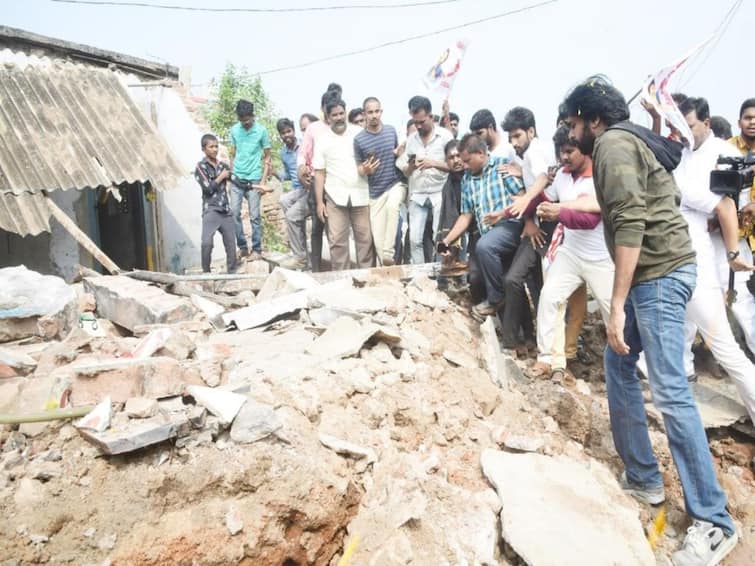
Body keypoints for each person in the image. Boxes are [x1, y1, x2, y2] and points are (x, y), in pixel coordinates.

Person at [562, 75, 737, 566]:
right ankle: (643, 477)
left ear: (593, 120)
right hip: (659, 272)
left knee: (670, 391)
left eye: (575, 122)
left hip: (657, 275)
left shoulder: (614, 145)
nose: (572, 132)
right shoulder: (632, 138)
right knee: (617, 364)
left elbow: (632, 224)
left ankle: (714, 521)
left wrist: (616, 305)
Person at [670, 96, 755, 421]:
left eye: (689, 126)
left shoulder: (728, 153)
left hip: (722, 247)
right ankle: (685, 373)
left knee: (742, 314)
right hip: (693, 253)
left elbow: (734, 205)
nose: (685, 132)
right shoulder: (682, 156)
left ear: (706, 122)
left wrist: (732, 247)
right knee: (689, 322)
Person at [531, 126, 612, 382]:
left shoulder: (599, 176)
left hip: (601, 256)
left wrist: (558, 212)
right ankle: (547, 359)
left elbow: (589, 219)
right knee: (549, 297)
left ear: (584, 150)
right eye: (560, 152)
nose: (564, 157)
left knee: (614, 311)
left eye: (570, 151)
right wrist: (541, 190)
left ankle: (631, 364)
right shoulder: (564, 176)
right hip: (571, 252)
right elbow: (545, 200)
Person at [439, 133, 524, 321]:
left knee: (485, 246)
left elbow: (523, 197)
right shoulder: (467, 179)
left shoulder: (502, 166)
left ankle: (495, 298)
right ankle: (517, 341)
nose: (465, 166)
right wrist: (446, 241)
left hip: (511, 225)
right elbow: (466, 215)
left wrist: (503, 213)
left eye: (468, 161)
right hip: (489, 234)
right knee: (490, 276)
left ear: (480, 154)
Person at [498, 106, 555, 350]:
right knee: (513, 279)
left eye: (517, 136)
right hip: (537, 225)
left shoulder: (536, 151)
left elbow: (543, 178)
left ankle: (551, 347)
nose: (513, 142)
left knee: (548, 289)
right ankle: (515, 342)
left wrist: (525, 199)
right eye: (510, 138)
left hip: (554, 225)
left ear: (531, 131)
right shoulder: (528, 156)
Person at [313, 98, 373, 270]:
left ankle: (367, 280)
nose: (339, 118)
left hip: (361, 194)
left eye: (341, 113)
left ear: (345, 113)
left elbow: (371, 159)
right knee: (337, 242)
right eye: (334, 115)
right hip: (335, 197)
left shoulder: (359, 134)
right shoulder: (323, 141)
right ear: (328, 117)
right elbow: (319, 173)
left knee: (365, 240)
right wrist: (319, 203)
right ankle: (342, 283)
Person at [354, 97, 405, 266]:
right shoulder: (359, 140)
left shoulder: (391, 131)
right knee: (378, 243)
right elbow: (359, 169)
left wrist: (400, 153)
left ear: (381, 112)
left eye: (377, 111)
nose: (374, 115)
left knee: (393, 207)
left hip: (394, 184)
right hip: (375, 194)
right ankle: (387, 271)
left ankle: (389, 253)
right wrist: (365, 170)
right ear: (364, 114)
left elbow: (398, 155)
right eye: (370, 112)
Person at [402, 95, 453, 264]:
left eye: (422, 121)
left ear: (431, 117)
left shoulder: (445, 137)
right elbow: (407, 172)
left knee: (439, 237)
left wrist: (434, 163)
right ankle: (420, 276)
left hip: (440, 191)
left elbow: (456, 167)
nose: (418, 126)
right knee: (414, 240)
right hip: (418, 192)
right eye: (415, 122)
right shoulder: (411, 140)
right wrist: (411, 166)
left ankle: (440, 274)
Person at [298, 90, 339, 271]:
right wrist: (301, 168)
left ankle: (338, 268)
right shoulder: (313, 129)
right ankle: (316, 269)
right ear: (323, 109)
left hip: (338, 182)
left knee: (336, 229)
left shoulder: (343, 128)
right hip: (318, 183)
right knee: (317, 227)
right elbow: (303, 153)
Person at [229, 99, 271, 262]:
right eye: (242, 120)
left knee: (255, 216)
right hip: (237, 178)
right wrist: (231, 175)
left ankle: (257, 249)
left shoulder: (261, 131)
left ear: (253, 115)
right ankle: (243, 248)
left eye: (248, 119)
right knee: (234, 213)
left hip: (254, 177)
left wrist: (262, 182)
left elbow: (267, 157)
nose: (245, 123)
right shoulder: (234, 130)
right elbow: (233, 153)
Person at [193, 134, 237, 274]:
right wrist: (221, 177)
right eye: (211, 146)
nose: (215, 149)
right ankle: (206, 273)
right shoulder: (200, 167)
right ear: (203, 149)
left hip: (225, 210)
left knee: (231, 244)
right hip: (211, 210)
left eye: (216, 146)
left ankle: (232, 273)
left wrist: (256, 186)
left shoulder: (223, 166)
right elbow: (208, 188)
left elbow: (236, 181)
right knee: (207, 243)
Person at [274, 118, 309, 270]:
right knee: (283, 200)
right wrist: (274, 172)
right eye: (283, 133)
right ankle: (300, 248)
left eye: (289, 131)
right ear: (280, 135)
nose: (287, 135)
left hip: (308, 187)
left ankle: (300, 255)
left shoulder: (305, 145)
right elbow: (287, 175)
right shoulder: (284, 153)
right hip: (297, 190)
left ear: (294, 131)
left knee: (291, 216)